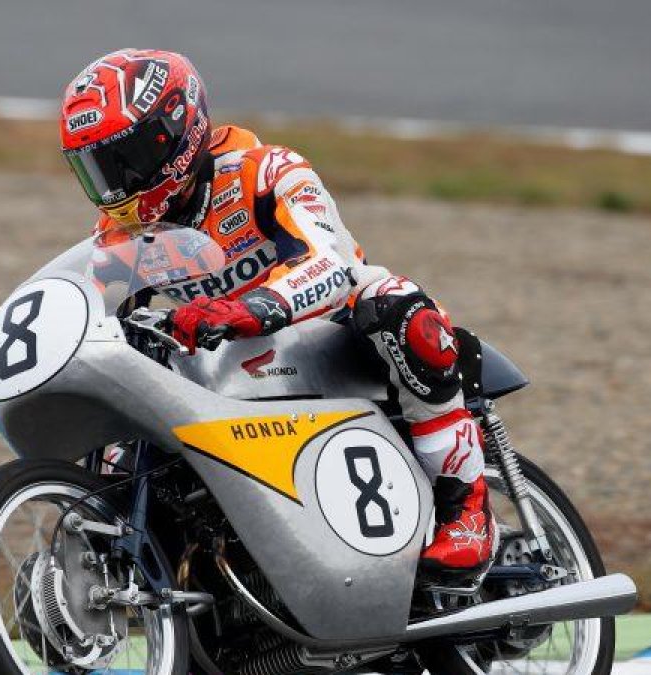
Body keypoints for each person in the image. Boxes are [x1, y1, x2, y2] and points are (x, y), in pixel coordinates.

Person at [60, 49, 493, 579]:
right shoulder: (120, 237)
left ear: (173, 132)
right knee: (122, 436)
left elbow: (331, 261)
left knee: (396, 304)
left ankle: (467, 507)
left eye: (123, 161)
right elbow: (93, 313)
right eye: (99, 171)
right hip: (236, 371)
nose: (116, 186)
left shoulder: (267, 171)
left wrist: (246, 308)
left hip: (336, 336)